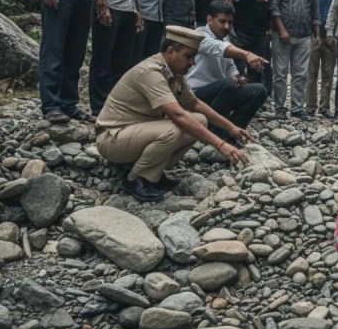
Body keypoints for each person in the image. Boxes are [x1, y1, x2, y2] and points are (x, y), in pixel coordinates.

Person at [95, 26, 251, 202]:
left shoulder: (174, 72)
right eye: (188, 56)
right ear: (170, 52)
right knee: (175, 128)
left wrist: (230, 127)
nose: (192, 62)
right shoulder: (151, 72)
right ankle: (137, 179)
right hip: (112, 138)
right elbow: (178, 115)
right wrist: (221, 145)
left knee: (199, 120)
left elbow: (194, 103)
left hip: (135, 132)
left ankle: (154, 172)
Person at [187, 0, 268, 141]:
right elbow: (219, 48)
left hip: (220, 93)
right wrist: (247, 54)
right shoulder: (199, 35)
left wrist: (239, 78)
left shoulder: (225, 38)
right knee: (228, 85)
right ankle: (216, 135)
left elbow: (230, 67)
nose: (226, 26)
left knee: (258, 90)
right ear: (209, 19)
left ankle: (230, 134)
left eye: (230, 23)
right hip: (196, 94)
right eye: (222, 21)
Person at [269, 0, 321, 120]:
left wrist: (317, 35)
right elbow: (274, 7)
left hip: (305, 35)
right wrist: (282, 30)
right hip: (282, 34)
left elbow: (315, 11)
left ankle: (298, 108)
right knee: (280, 72)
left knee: (300, 74)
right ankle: (280, 108)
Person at [233, 0, 274, 94]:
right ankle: (236, 96)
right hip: (241, 27)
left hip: (259, 31)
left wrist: (269, 26)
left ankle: (255, 97)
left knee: (258, 66)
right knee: (238, 64)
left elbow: (269, 5)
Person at [307, 0, 338, 118]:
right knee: (311, 73)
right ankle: (310, 106)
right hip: (313, 37)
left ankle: (325, 106)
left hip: (331, 40)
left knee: (328, 73)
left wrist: (335, 35)